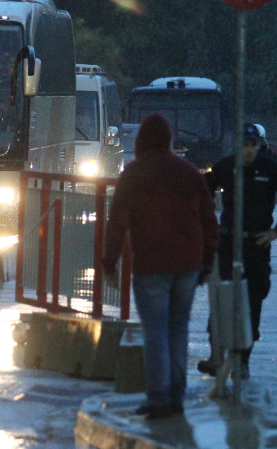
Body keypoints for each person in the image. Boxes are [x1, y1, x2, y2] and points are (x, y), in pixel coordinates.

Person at [103, 113, 218, 419]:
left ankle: (158, 399)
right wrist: (207, 262)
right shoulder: (190, 173)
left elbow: (117, 221)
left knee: (155, 332)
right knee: (178, 329)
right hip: (188, 264)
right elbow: (209, 220)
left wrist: (109, 262)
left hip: (152, 264)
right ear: (169, 139)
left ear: (141, 140)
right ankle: (176, 396)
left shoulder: (134, 173)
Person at [196, 123, 277, 380]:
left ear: (259, 146)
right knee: (222, 299)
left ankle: (243, 361)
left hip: (257, 245)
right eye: (244, 145)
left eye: (253, 145)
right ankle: (216, 355)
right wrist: (208, 219)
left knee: (252, 301)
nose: (248, 150)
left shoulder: (269, 168)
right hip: (229, 243)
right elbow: (203, 188)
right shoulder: (227, 166)